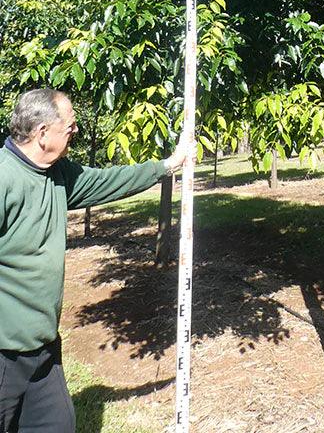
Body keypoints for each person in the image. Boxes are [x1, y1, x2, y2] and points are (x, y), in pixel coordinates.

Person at [0, 86, 189, 433]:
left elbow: (105, 182)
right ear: (43, 134)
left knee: (58, 425)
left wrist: (166, 166)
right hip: (4, 354)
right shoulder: (4, 178)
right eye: (70, 126)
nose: (75, 132)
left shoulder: (59, 174)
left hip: (42, 351)